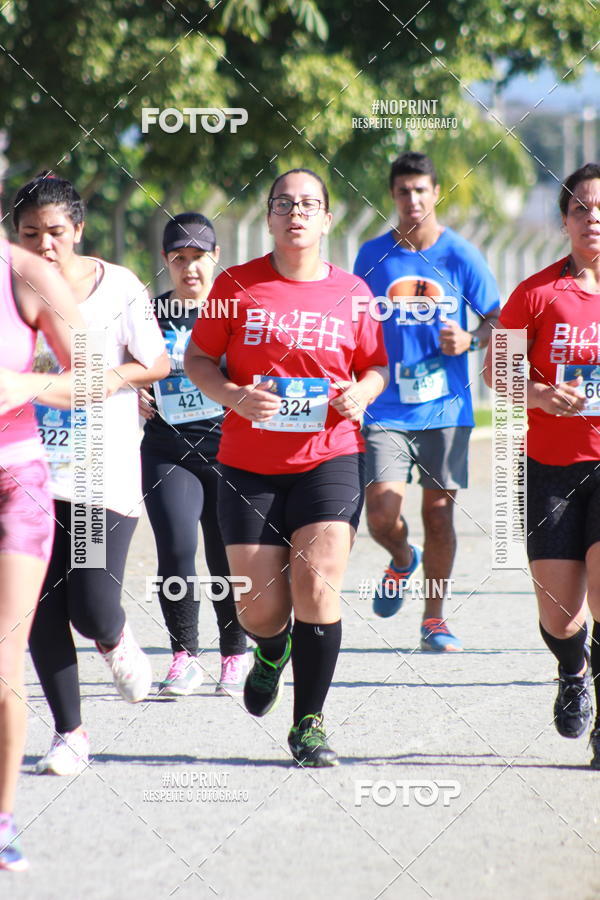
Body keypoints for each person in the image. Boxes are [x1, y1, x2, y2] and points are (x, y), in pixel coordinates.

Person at [184, 168, 388, 766]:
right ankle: (271, 651)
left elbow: (375, 365)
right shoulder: (234, 286)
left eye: (308, 205)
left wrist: (364, 393)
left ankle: (309, 724)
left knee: (318, 585)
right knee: (258, 611)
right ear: (269, 217)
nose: (295, 213)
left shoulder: (353, 292)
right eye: (283, 204)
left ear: (327, 218)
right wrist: (234, 396)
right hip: (248, 466)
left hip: (329, 458)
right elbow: (199, 358)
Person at [13, 173, 169, 776]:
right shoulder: (9, 289)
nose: (45, 244)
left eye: (56, 232)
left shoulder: (118, 287)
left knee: (90, 605)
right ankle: (70, 733)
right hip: (27, 470)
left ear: (78, 229)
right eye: (31, 234)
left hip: (100, 471)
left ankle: (115, 638)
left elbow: (155, 362)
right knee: (42, 606)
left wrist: (111, 380)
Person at [354, 151, 500, 651]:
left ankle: (433, 619)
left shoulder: (462, 255)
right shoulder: (371, 255)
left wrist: (471, 338)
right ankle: (400, 559)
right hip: (386, 406)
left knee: (439, 515)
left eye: (421, 190)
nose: (412, 199)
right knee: (379, 514)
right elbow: (355, 322)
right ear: (391, 196)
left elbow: (498, 320)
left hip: (446, 408)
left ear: (436, 192)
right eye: (402, 191)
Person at [484, 162, 600, 768]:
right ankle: (574, 670)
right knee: (559, 614)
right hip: (551, 465)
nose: (593, 218)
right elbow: (494, 370)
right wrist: (538, 394)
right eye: (581, 208)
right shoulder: (536, 294)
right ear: (564, 221)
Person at [0, 236, 83, 870]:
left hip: (14, 483)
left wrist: (20, 384)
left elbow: (91, 375)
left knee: (3, 655)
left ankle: (1, 822)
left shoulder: (26, 273)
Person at [139, 213, 247, 696]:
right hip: (167, 449)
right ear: (166, 262)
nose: (189, 269)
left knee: (226, 556)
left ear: (215, 257)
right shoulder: (148, 313)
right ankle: (184, 656)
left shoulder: (237, 310)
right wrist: (132, 391)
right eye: (179, 259)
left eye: (198, 258)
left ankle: (234, 653)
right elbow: (121, 365)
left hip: (231, 451)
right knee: (178, 549)